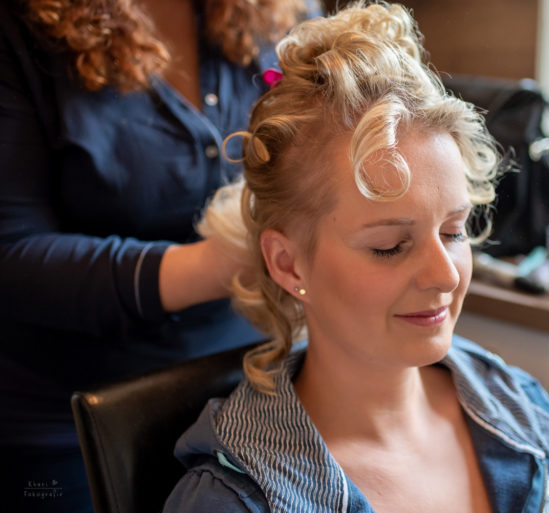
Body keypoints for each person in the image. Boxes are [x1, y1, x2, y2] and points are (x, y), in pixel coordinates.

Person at [164, 2, 549, 512]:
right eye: (389, 246)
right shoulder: (236, 500)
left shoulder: (525, 412)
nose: (444, 275)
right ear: (288, 264)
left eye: (453, 231)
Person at [0, 0, 321, 511]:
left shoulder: (282, 11)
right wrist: (220, 264)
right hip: (72, 427)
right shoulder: (18, 32)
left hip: (258, 388)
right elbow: (12, 254)